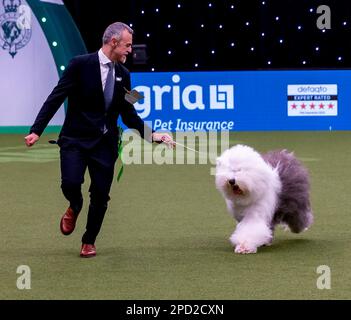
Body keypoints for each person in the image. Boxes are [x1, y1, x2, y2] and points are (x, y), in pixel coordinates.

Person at [24, 22, 174, 258]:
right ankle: (75, 204)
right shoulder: (79, 65)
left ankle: (89, 240)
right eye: (127, 45)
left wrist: (153, 134)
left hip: (105, 144)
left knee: (101, 195)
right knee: (71, 184)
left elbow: (129, 114)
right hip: (75, 139)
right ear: (113, 42)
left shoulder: (125, 75)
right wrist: (36, 130)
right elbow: (56, 97)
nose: (129, 51)